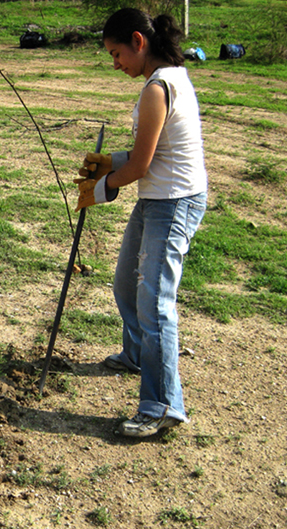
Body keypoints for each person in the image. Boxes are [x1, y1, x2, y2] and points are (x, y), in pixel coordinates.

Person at [75, 8, 207, 437]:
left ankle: (163, 404)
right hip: (158, 199)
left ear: (138, 40)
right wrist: (107, 162)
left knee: (154, 304)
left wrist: (100, 188)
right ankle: (136, 355)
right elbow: (145, 155)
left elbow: (143, 164)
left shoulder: (158, 87)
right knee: (126, 286)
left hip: (173, 203)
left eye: (116, 54)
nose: (115, 64)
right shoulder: (168, 78)